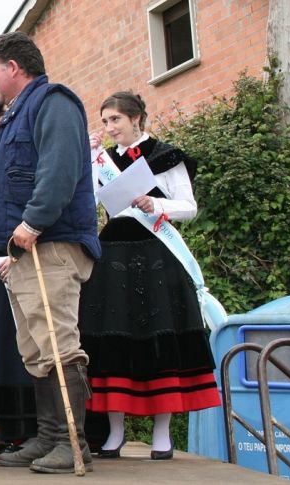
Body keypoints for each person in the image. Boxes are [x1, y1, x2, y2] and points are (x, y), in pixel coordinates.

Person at [0, 32, 101, 474]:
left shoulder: (54, 104)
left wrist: (32, 223)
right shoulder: (12, 121)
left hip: (50, 245)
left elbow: (59, 170)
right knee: (36, 349)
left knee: (59, 343)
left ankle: (73, 442)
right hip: (26, 253)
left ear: (13, 67)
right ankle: (49, 437)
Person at [80, 91, 221, 460]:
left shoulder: (165, 155)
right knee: (111, 342)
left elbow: (188, 207)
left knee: (160, 341)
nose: (110, 128)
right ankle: (114, 432)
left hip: (157, 253)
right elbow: (90, 203)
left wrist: (155, 203)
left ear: (137, 118)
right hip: (112, 258)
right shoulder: (102, 158)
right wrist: (87, 159)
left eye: (116, 120)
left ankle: (162, 433)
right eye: (106, 121)